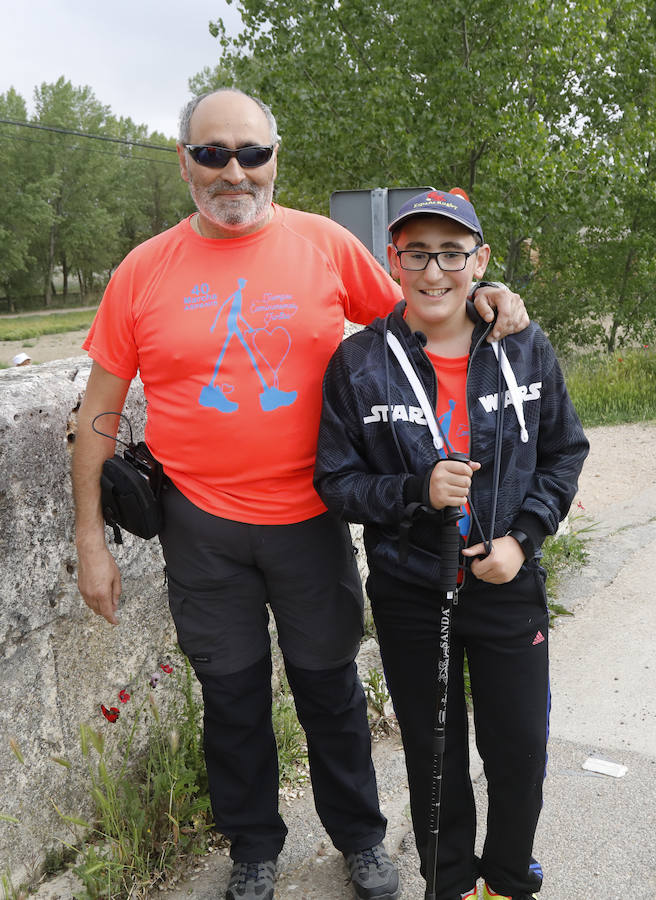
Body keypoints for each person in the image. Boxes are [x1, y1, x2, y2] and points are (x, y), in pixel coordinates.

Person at [71, 90, 529, 900]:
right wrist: (89, 541)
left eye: (251, 152)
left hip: (313, 516)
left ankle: (359, 837)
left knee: (330, 686)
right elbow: (100, 410)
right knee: (233, 693)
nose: (234, 171)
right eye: (212, 153)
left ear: (276, 158)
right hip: (199, 524)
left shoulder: (324, 246)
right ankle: (254, 846)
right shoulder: (142, 271)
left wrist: (487, 300)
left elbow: (421, 316)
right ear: (184, 161)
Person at [314, 189, 589, 900]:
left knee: (519, 750)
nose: (434, 272)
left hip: (506, 583)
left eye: (451, 254)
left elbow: (564, 451)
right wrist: (414, 490)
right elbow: (336, 482)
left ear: (480, 260)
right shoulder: (358, 363)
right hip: (411, 586)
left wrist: (523, 540)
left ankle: (505, 881)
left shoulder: (522, 345)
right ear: (393, 261)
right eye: (417, 254)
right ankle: (451, 884)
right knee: (434, 759)